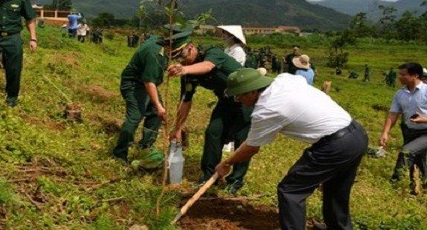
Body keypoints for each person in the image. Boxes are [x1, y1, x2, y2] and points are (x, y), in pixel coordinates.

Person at [216, 68, 368, 229]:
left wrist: (226, 163)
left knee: (291, 191)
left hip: (336, 145)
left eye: (239, 94)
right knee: (336, 190)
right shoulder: (284, 79)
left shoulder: (266, 110)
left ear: (253, 91)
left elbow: (251, 148)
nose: (238, 99)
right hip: (357, 135)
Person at [167, 41, 252, 194]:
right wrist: (177, 128)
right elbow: (185, 101)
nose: (181, 60)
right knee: (213, 132)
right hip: (226, 101)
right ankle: (209, 175)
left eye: (182, 55)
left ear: (191, 47)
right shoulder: (187, 73)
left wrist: (184, 69)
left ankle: (236, 181)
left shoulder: (212, 53)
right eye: (177, 58)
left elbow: (208, 66)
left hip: (248, 98)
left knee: (242, 138)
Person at [112, 30, 191, 162]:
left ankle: (146, 146)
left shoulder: (160, 43)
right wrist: (159, 106)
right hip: (134, 84)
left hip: (144, 82)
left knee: (154, 114)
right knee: (135, 117)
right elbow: (149, 82)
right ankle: (120, 154)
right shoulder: (155, 54)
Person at [379, 62, 427, 194]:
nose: (400, 77)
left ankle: (394, 183)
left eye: (403, 74)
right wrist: (385, 133)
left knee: (407, 151)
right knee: (419, 158)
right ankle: (420, 185)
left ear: (415, 75)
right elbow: (393, 114)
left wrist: (424, 119)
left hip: (426, 132)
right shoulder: (400, 94)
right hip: (409, 131)